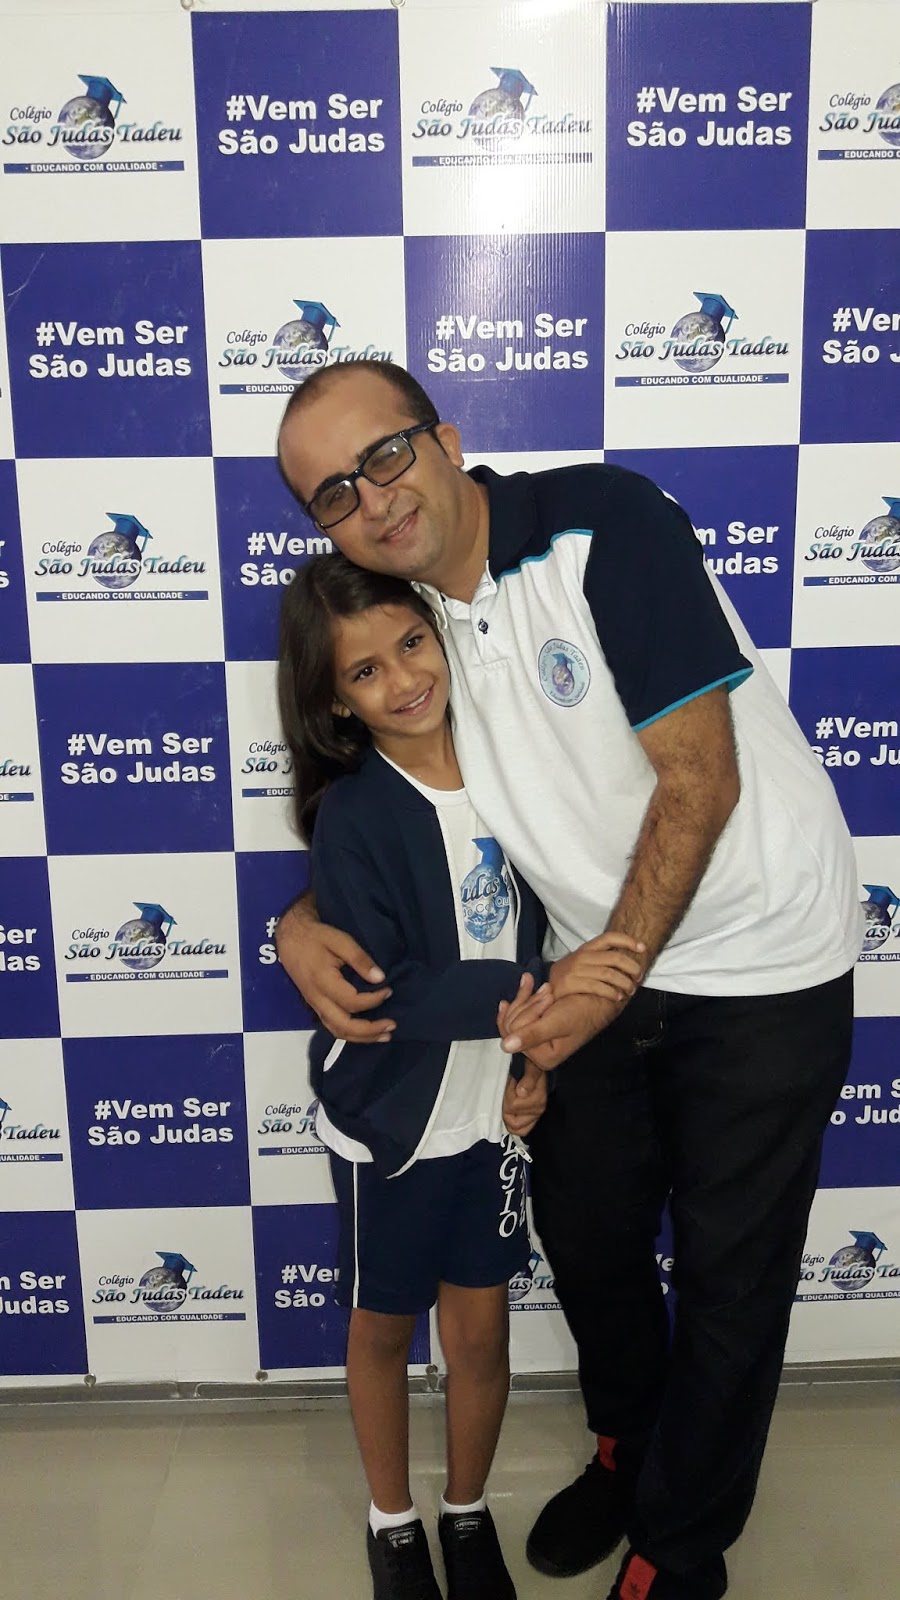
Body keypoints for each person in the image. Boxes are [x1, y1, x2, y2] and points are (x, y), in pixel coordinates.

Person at [275, 361, 861, 1600]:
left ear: (445, 437)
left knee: (731, 1276)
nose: (371, 499)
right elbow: (409, 809)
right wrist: (300, 919)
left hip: (760, 958)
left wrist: (614, 973)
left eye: (385, 455)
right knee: (590, 1237)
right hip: (591, 966)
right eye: (332, 494)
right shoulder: (415, 617)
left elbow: (700, 777)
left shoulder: (606, 524)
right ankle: (629, 1448)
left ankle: (680, 1545)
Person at [278, 550, 644, 1600]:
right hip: (392, 1128)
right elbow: (384, 991)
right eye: (365, 671)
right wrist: (541, 987)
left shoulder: (513, 768)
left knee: (480, 1333)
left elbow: (551, 917)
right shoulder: (357, 815)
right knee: (384, 1326)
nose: (403, 679)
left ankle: (467, 1509)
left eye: (411, 643)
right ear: (334, 702)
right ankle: (394, 1523)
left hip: (494, 1118)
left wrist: (533, 1062)